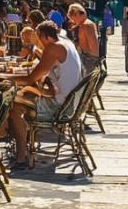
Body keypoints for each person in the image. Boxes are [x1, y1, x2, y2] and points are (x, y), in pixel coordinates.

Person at [8, 21, 84, 166]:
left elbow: (30, 78)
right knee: (24, 94)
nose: (39, 42)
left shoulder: (53, 48)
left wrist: (8, 78)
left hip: (60, 107)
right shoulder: (66, 42)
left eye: (39, 38)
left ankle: (20, 156)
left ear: (45, 37)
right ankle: (26, 143)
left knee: (13, 107)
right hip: (71, 102)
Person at [66, 3, 100, 69]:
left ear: (77, 14)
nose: (72, 20)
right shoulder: (83, 24)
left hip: (88, 59)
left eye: (72, 17)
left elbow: (93, 44)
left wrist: (92, 60)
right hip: (86, 57)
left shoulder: (86, 25)